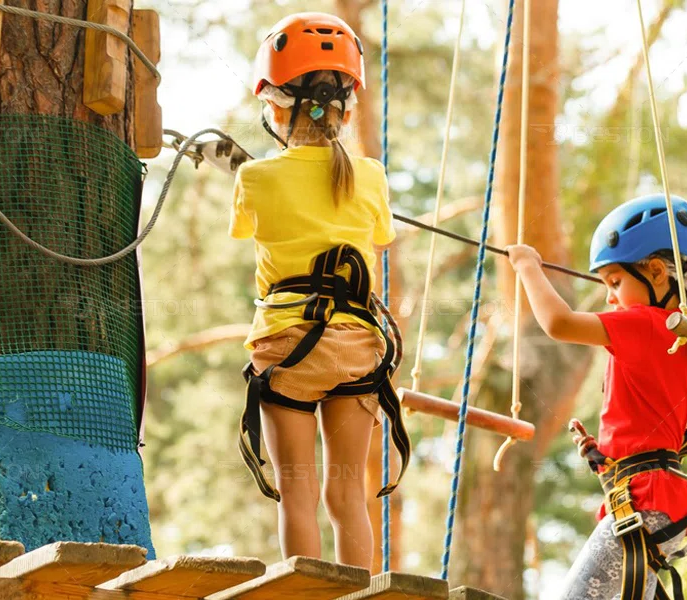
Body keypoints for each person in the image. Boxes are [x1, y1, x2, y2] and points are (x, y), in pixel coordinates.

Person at [230, 12, 409, 570]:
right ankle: (361, 589)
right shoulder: (371, 176)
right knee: (347, 494)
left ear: (276, 107)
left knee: (298, 494)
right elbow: (379, 237)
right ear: (345, 109)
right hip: (357, 347)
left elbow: (249, 228)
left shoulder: (254, 178)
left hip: (288, 345)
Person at [504, 194, 687, 600]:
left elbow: (558, 322)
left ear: (657, 272)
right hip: (658, 505)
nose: (609, 297)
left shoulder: (646, 323)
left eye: (615, 282)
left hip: (645, 503)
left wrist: (527, 266)